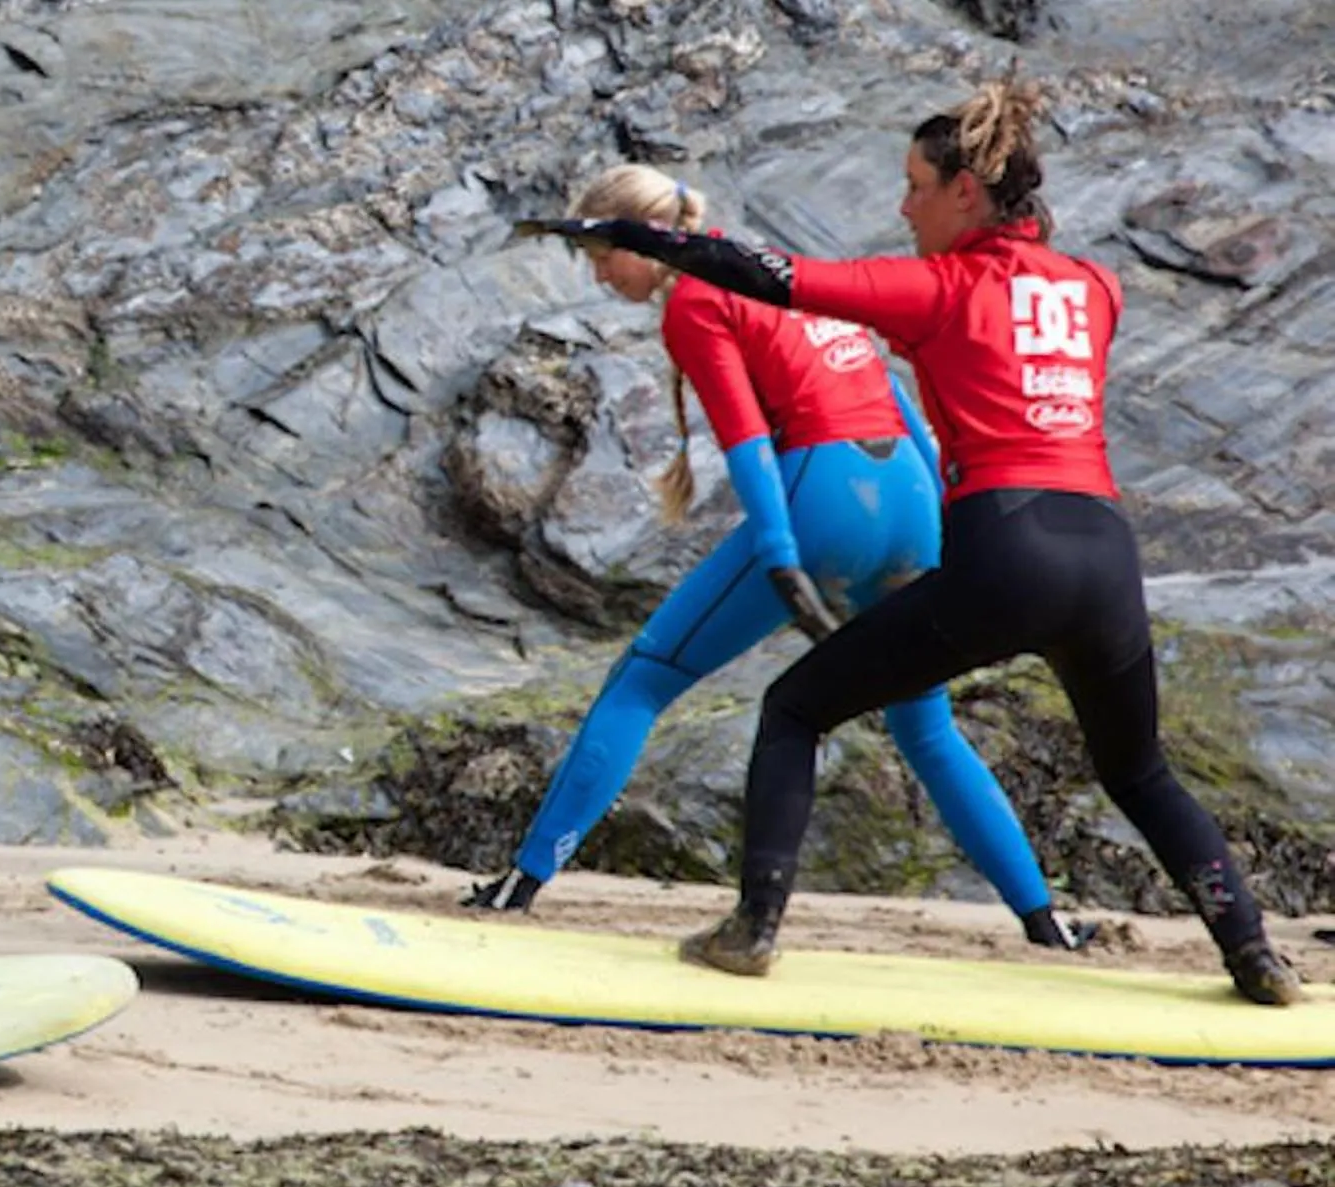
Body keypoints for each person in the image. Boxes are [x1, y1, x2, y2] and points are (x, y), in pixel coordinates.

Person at [524, 80, 1302, 1005]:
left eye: (916, 187)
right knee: (1138, 770)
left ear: (965, 192)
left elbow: (777, 277)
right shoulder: (1097, 287)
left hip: (1002, 550)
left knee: (794, 709)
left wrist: (648, 238)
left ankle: (752, 929)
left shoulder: (935, 287)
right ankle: (1252, 951)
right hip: (1103, 551)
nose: (903, 207)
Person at [469, 164, 1078, 950]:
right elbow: (897, 400)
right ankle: (1044, 920)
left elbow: (748, 445)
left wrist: (783, 555)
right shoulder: (774, 264)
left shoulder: (695, 297)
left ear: (643, 239)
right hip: (905, 495)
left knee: (645, 679)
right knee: (925, 725)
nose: (598, 272)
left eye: (602, 255)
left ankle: (520, 885)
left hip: (825, 493)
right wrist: (950, 520)